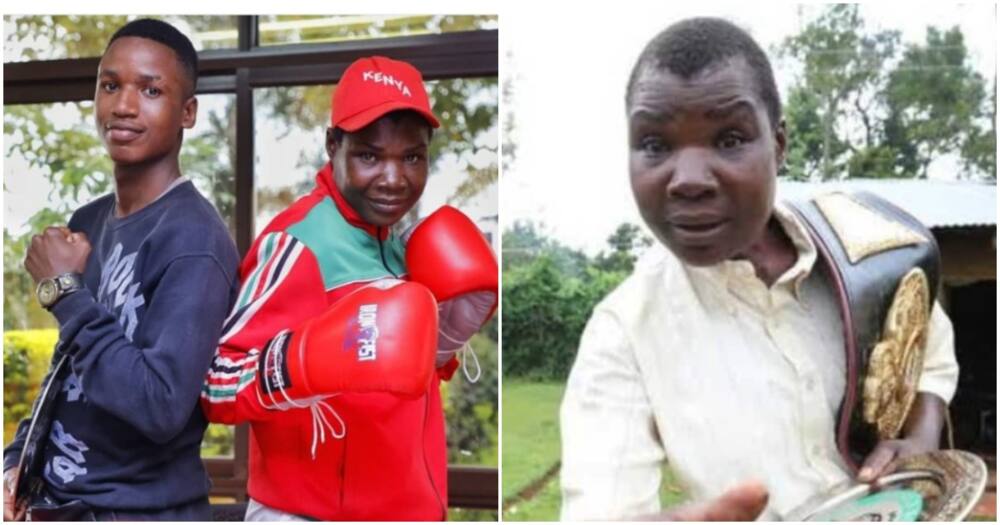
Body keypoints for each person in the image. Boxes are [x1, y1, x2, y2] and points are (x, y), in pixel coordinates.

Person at [559, 17, 958, 521]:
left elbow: (930, 349)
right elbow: (601, 509)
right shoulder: (623, 334)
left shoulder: (869, 246)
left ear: (780, 145)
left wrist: (921, 434)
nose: (688, 180)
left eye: (729, 139)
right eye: (656, 145)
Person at [200, 55, 497, 521]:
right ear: (333, 145)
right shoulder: (298, 242)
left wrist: (444, 346)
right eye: (369, 155)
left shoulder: (399, 245)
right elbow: (214, 384)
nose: (394, 178)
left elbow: (386, 374)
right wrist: (297, 364)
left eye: (413, 157)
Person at [2, 18, 240, 521]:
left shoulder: (195, 238)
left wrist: (63, 290)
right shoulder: (90, 221)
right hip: (58, 505)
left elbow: (159, 406)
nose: (124, 105)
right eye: (110, 85)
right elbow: (69, 371)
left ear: (188, 112)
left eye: (151, 90)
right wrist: (18, 461)